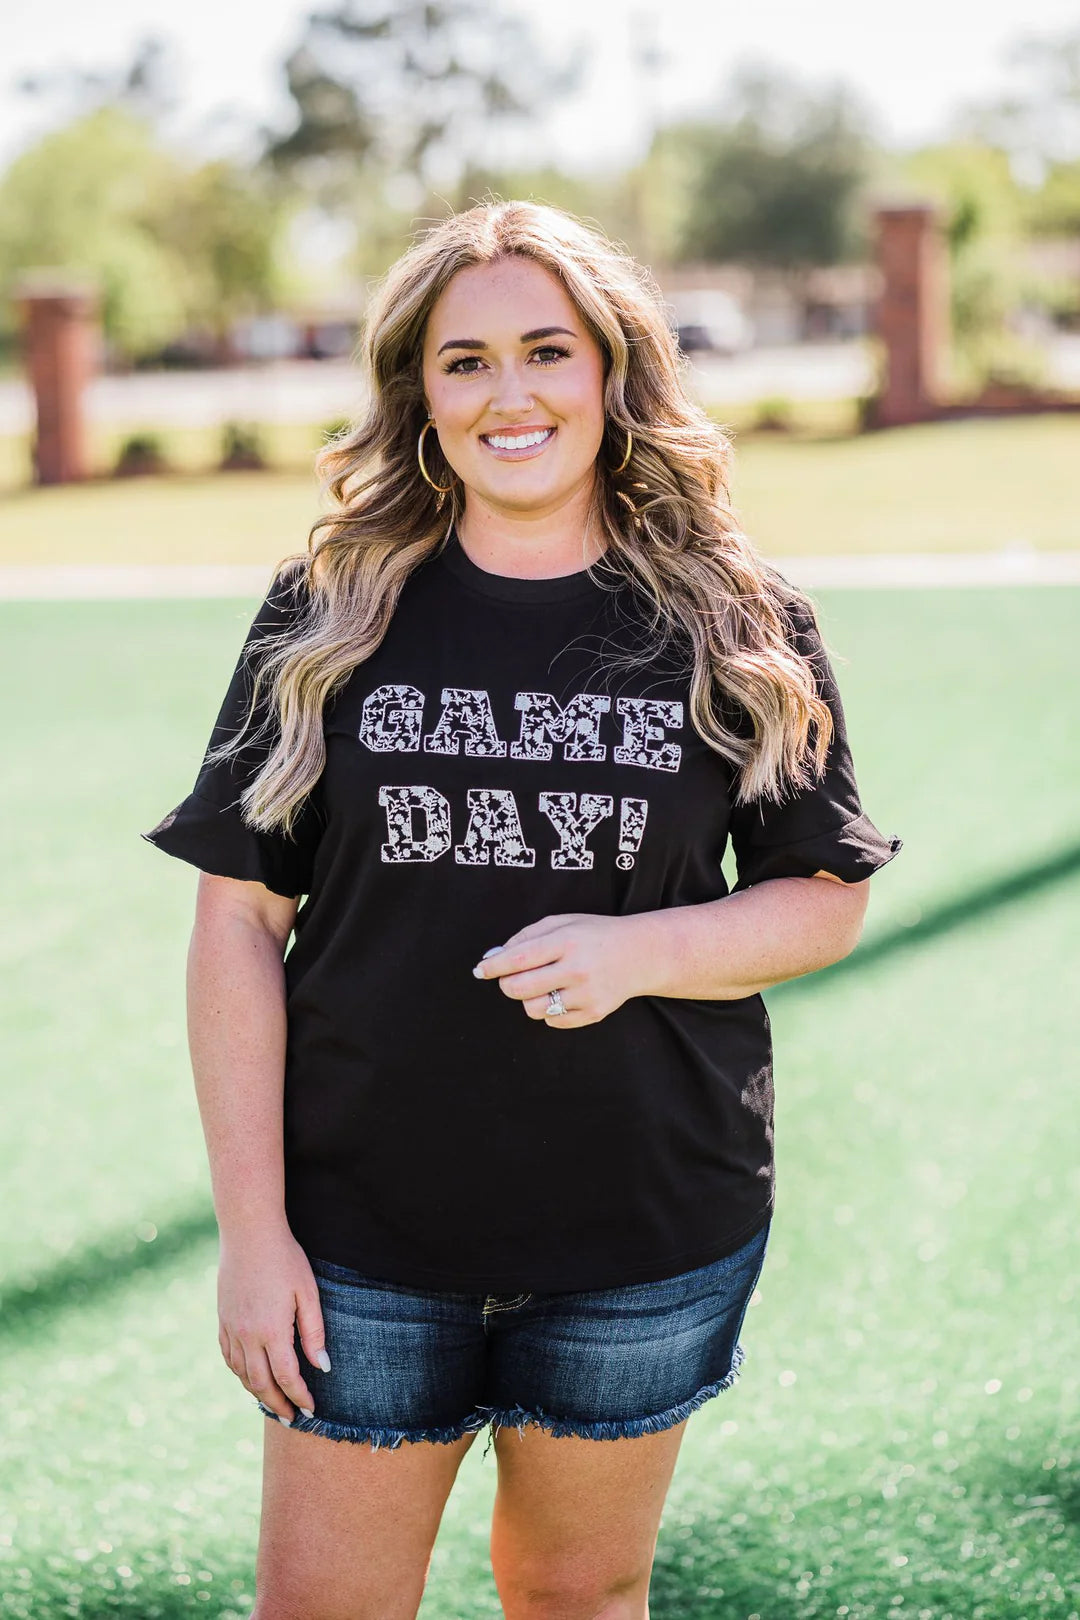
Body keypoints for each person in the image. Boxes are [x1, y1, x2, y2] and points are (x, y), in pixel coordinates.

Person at [142, 199, 903, 1620]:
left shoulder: (737, 619)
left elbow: (822, 899)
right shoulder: (332, 614)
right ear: (417, 395)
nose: (511, 393)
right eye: (464, 360)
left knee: (577, 1597)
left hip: (640, 1232)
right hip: (361, 1235)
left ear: (614, 374)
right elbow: (236, 925)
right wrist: (254, 1235)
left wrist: (643, 951)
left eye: (548, 350)